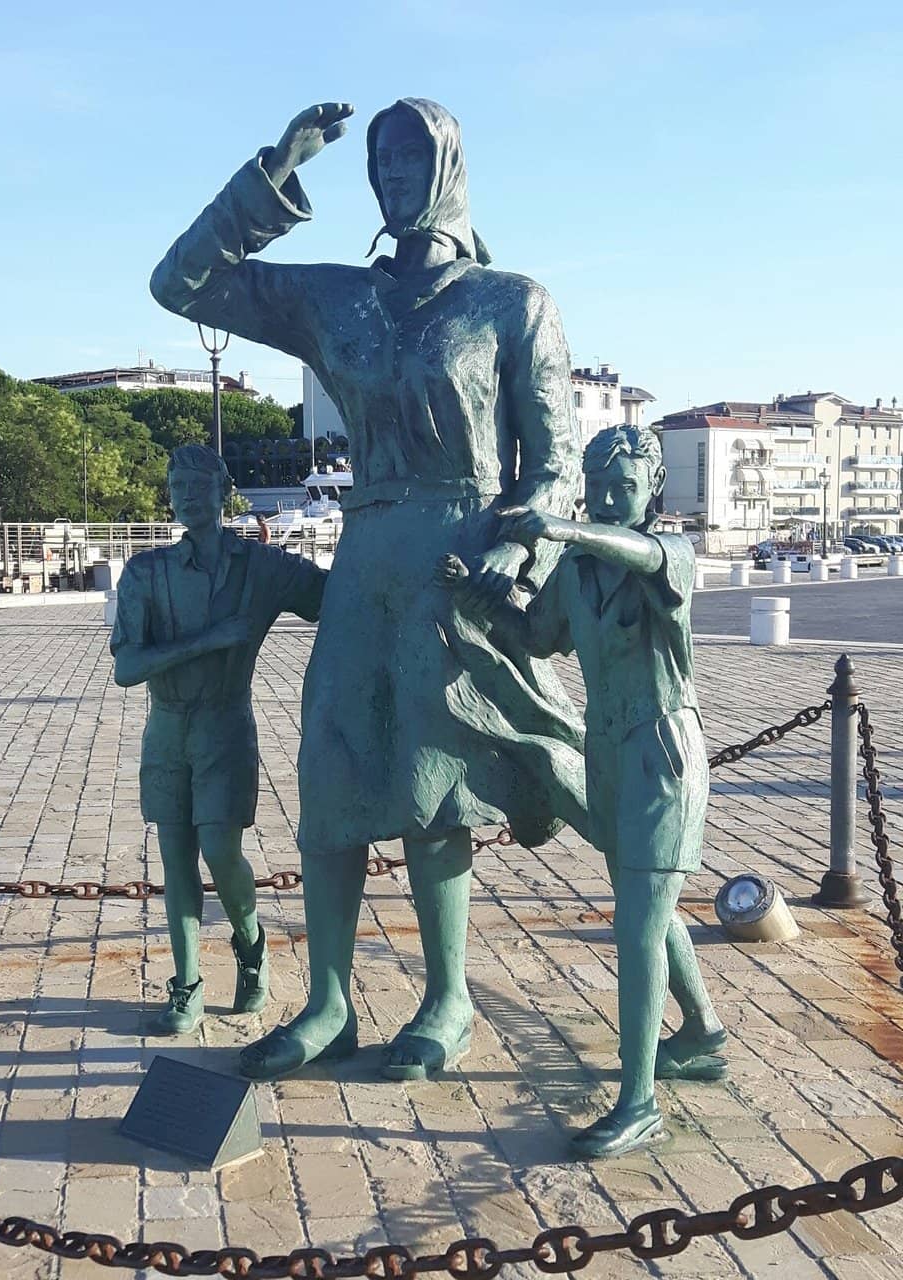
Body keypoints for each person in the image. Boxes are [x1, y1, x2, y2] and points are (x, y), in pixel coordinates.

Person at [150, 98, 586, 1082]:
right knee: (334, 773)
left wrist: (519, 558)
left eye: (410, 159)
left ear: (447, 170)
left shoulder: (513, 303)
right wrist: (272, 175)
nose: (391, 176)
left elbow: (554, 467)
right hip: (367, 557)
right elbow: (180, 283)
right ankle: (332, 1000)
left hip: (458, 560)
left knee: (437, 780)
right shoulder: (335, 298)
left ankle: (447, 998)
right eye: (379, 161)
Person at [439, 424, 726, 1158]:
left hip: (663, 750)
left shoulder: (671, 556)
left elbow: (649, 555)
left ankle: (638, 1103)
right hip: (607, 751)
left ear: (652, 489)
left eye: (622, 488)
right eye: (596, 487)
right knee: (647, 907)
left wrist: (568, 525)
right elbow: (538, 638)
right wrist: (471, 598)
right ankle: (701, 1032)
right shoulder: (574, 570)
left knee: (636, 924)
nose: (606, 500)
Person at [111, 445, 326, 1035]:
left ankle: (251, 945)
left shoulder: (261, 567)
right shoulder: (146, 572)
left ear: (222, 492)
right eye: (177, 485)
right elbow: (127, 668)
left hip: (226, 726)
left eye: (199, 485)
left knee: (220, 850)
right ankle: (186, 985)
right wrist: (210, 640)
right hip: (167, 729)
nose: (186, 496)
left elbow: (334, 598)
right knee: (175, 860)